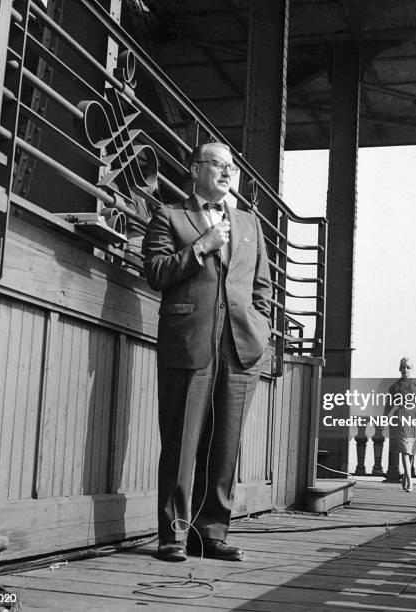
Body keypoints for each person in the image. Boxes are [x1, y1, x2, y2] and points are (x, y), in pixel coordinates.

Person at [142, 141, 272, 562]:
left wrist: (261, 327)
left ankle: (210, 533)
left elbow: (262, 289)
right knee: (181, 443)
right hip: (190, 343)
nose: (226, 173)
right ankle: (173, 536)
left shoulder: (251, 224)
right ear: (195, 169)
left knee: (226, 445)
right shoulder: (169, 215)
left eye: (230, 167)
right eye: (217, 165)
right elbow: (156, 273)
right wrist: (202, 246)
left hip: (240, 347)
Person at [387, 357, 416, 492]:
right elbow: (390, 405)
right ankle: (410, 479)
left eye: (408, 367)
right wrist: (385, 419)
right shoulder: (394, 387)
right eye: (403, 367)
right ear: (399, 369)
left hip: (415, 419)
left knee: (411, 451)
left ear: (412, 369)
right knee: (404, 450)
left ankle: (405, 476)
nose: (405, 369)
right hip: (401, 418)